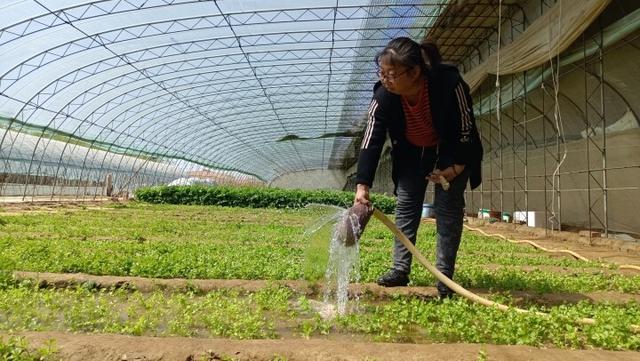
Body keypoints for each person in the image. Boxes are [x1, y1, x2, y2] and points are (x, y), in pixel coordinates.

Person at [353, 37, 483, 299]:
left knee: (447, 210)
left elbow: (466, 127)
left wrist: (456, 167)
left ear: (414, 72)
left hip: (453, 150)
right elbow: (371, 139)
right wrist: (362, 185)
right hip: (412, 152)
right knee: (407, 205)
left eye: (391, 74)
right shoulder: (383, 96)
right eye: (382, 73)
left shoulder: (448, 84)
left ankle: (444, 277)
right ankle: (400, 269)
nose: (386, 79)